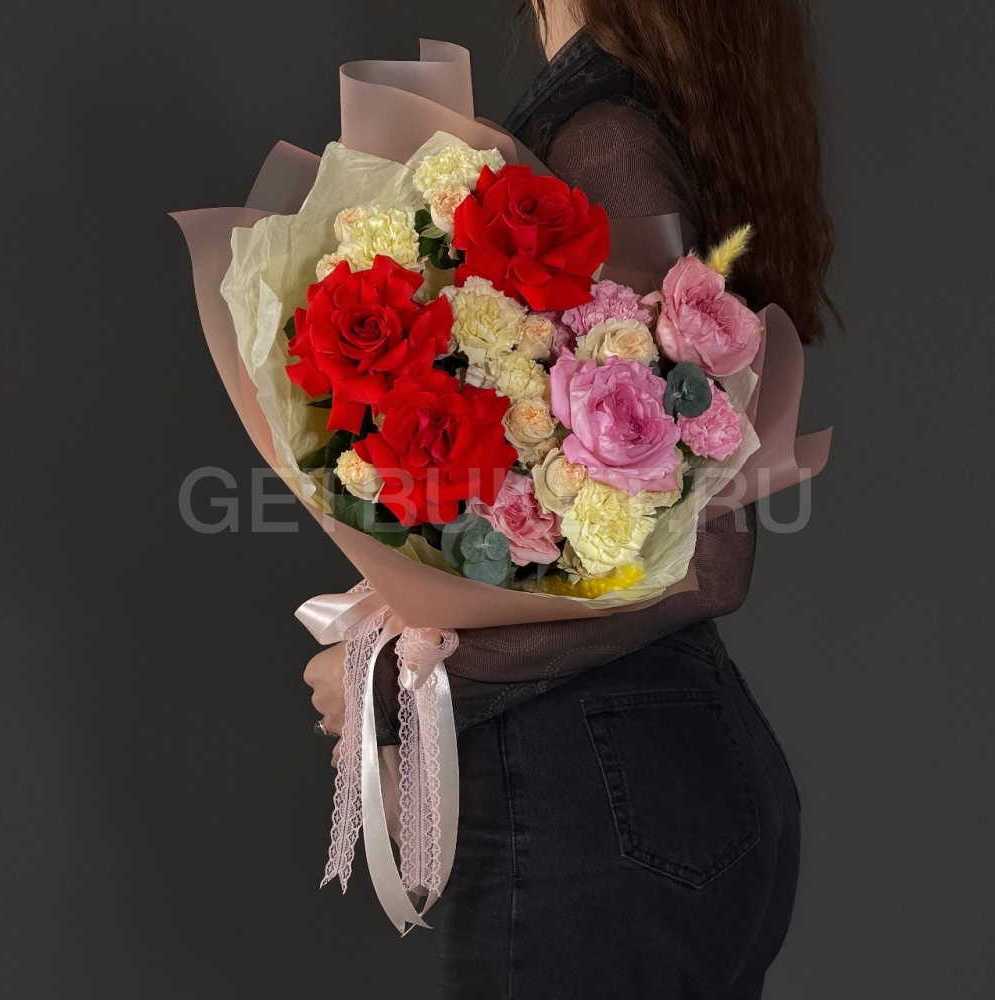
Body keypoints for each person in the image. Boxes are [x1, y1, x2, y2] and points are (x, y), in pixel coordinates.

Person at [305, 1, 835, 995]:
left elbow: (710, 556)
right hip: (627, 787)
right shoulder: (619, 111)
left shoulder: (604, 135)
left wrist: (407, 679)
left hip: (599, 801)